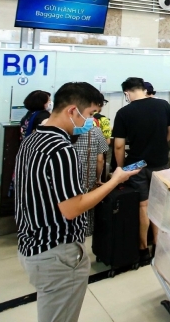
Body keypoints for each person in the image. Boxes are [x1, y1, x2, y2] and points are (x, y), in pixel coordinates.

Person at [15, 82, 140, 322]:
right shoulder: (61, 149)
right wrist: (115, 181)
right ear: (73, 111)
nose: (91, 122)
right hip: (57, 252)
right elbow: (73, 208)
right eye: (91, 114)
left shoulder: (33, 138)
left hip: (32, 243)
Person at [113, 77, 170, 261]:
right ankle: (157, 243)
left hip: (136, 163)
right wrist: (159, 144)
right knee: (158, 203)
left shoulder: (124, 112)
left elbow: (118, 146)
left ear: (127, 93)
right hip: (161, 161)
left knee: (143, 205)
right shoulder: (163, 105)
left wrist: (120, 170)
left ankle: (142, 249)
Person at [70, 92, 110, 237]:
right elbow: (101, 159)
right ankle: (86, 231)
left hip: (70, 180)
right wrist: (98, 178)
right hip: (88, 178)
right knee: (87, 205)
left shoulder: (65, 131)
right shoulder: (96, 130)